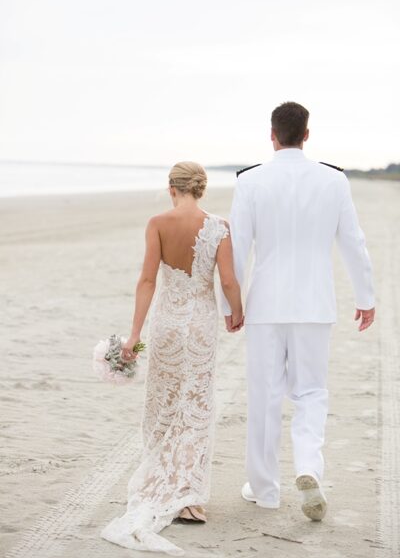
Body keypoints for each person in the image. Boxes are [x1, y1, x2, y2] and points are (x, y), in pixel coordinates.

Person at [221, 101, 375, 521]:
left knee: (265, 396)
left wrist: (230, 305)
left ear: (271, 134)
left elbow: (237, 249)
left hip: (266, 304)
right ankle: (308, 466)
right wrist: (366, 296)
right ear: (307, 135)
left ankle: (265, 491)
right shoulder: (333, 179)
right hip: (314, 304)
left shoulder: (251, 181)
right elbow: (352, 240)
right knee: (311, 393)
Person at [101, 161, 243, 556]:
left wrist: (134, 334)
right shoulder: (219, 227)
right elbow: (228, 280)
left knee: (164, 404)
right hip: (199, 323)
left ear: (171, 188)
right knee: (195, 405)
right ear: (201, 188)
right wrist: (236, 310)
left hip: (166, 324)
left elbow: (148, 280)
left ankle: (159, 483)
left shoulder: (157, 223)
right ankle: (189, 499)